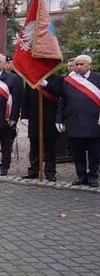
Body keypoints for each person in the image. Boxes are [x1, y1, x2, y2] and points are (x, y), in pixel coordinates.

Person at [56, 54, 100, 187]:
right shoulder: (69, 80)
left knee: (94, 152)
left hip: (94, 122)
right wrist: (59, 119)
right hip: (74, 121)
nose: (79, 67)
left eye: (82, 64)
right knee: (77, 152)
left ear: (89, 65)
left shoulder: (98, 78)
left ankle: (93, 176)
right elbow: (63, 102)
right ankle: (81, 176)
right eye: (77, 64)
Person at [20, 75, 63, 182]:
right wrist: (24, 115)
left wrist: (46, 85)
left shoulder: (58, 79)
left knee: (50, 148)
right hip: (34, 118)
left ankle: (50, 172)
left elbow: (61, 93)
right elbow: (26, 98)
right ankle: (33, 171)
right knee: (34, 147)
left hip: (51, 118)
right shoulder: (32, 78)